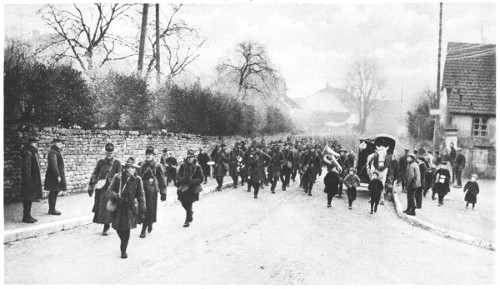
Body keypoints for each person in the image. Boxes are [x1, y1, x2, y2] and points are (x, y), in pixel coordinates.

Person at [106, 157, 146, 259]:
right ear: (126, 168)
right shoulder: (118, 177)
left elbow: (141, 196)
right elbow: (109, 191)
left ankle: (123, 250)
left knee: (127, 230)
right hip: (118, 207)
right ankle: (123, 242)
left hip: (130, 208)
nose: (134, 170)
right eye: (131, 168)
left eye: (134, 168)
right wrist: (116, 196)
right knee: (118, 228)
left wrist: (142, 211)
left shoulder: (137, 180)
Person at [88, 143, 122, 235]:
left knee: (111, 206)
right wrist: (91, 186)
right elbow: (95, 174)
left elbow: (120, 175)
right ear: (105, 153)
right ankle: (106, 225)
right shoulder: (101, 162)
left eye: (111, 152)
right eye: (107, 152)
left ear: (113, 153)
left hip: (112, 188)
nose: (109, 154)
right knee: (103, 208)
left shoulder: (117, 163)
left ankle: (107, 226)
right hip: (102, 188)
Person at [137, 146, 167, 238]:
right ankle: (148, 223)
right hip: (142, 189)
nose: (148, 156)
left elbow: (162, 179)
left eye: (150, 154)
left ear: (153, 155)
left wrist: (163, 192)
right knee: (142, 208)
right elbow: (137, 177)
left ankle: (144, 229)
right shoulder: (141, 164)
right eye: (147, 154)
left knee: (150, 209)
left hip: (152, 190)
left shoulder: (157, 165)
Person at [176, 149, 204, 227]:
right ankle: (190, 212)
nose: (190, 159)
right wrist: (182, 179)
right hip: (184, 187)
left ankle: (187, 220)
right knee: (183, 203)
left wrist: (193, 181)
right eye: (189, 157)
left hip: (192, 188)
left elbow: (201, 178)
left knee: (189, 203)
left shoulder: (197, 167)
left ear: (194, 158)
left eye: (192, 157)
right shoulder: (182, 166)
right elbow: (178, 176)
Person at [21, 137, 42, 223]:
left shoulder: (33, 153)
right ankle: (26, 217)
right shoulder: (28, 153)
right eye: (34, 143)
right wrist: (28, 180)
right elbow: (26, 168)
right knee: (27, 198)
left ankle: (28, 215)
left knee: (29, 198)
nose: (36, 144)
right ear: (30, 144)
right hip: (29, 180)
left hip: (32, 179)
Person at [44, 137, 67, 215]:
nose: (60, 144)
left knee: (55, 191)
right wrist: (57, 175)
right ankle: (52, 209)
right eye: (58, 143)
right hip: (53, 176)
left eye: (61, 143)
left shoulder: (56, 151)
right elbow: (54, 165)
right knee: (53, 191)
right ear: (54, 143)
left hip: (55, 175)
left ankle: (52, 208)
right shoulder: (53, 152)